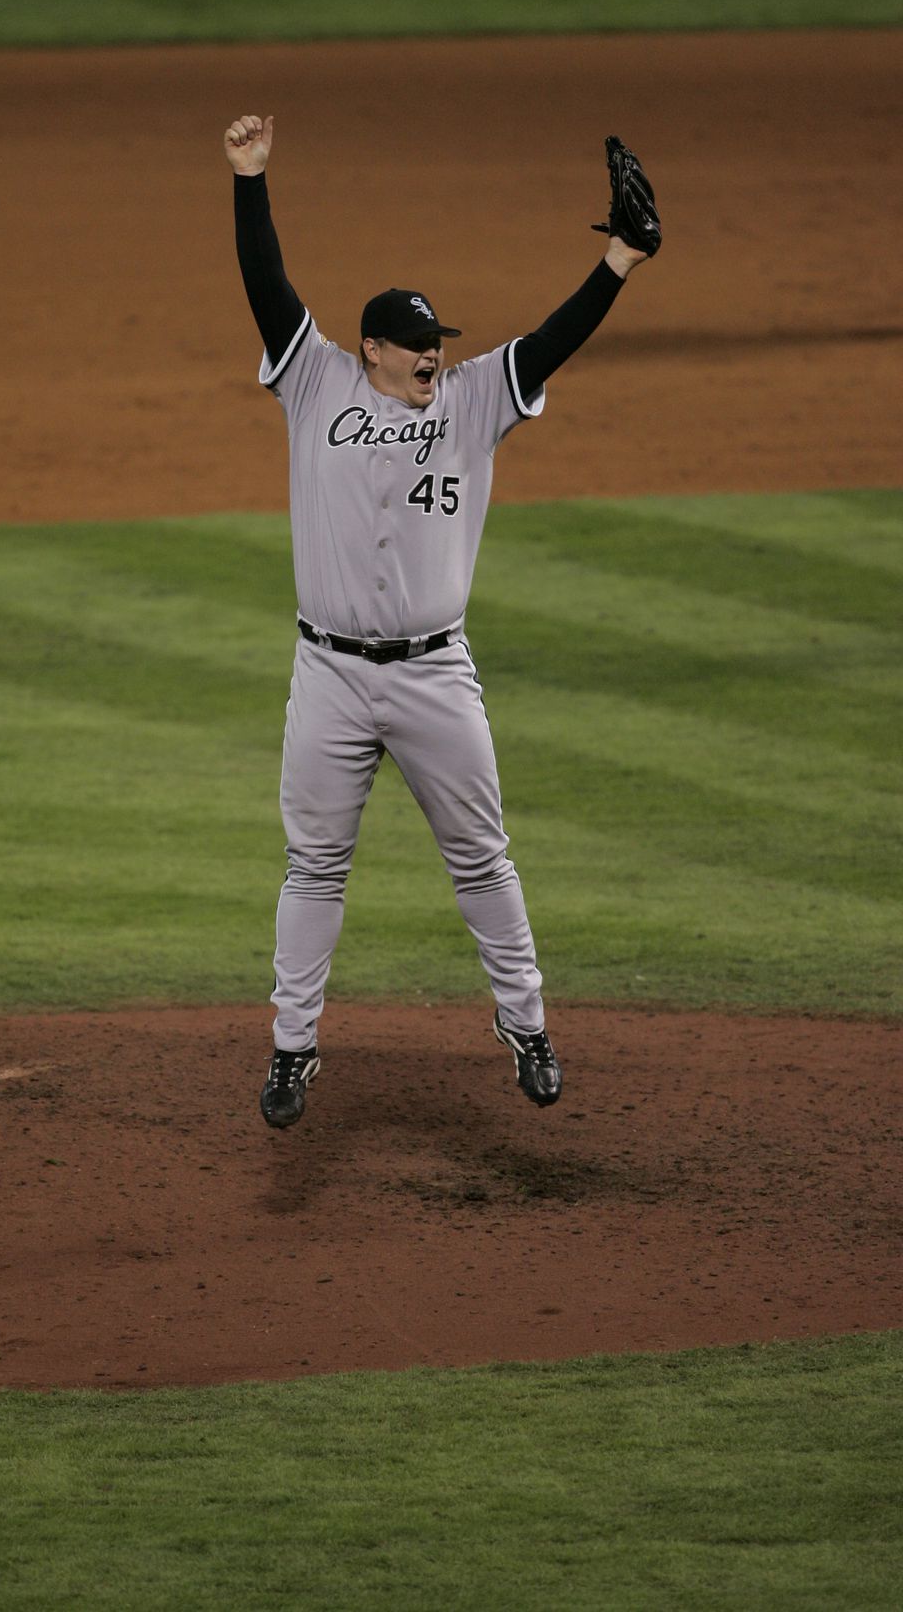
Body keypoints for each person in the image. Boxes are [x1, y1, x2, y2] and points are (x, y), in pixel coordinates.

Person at [224, 113, 655, 1129]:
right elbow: (266, 287)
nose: (431, 356)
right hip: (327, 673)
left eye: (437, 343)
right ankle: (292, 1049)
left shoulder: (471, 401)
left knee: (482, 855)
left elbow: (553, 339)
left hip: (433, 675)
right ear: (370, 347)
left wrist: (619, 262)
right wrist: (250, 179)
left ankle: (530, 1028)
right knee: (314, 865)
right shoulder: (314, 378)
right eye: (414, 344)